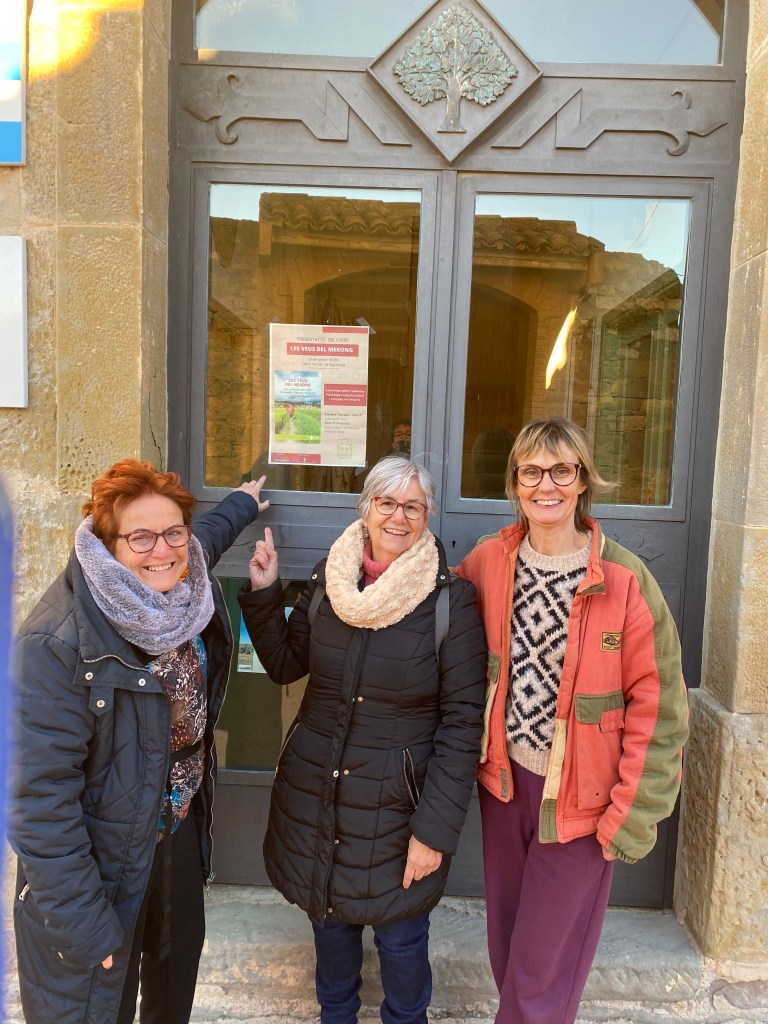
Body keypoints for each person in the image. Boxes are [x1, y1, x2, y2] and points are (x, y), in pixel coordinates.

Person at [9, 459, 269, 1024]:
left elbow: (202, 538)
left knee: (174, 978)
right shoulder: (56, 641)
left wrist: (243, 504)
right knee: (106, 1001)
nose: (162, 550)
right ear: (107, 545)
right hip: (101, 861)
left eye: (173, 532)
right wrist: (83, 924)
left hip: (176, 827)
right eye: (141, 537)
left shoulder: (184, 585)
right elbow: (36, 800)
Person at [456, 418, 689, 1024]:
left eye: (562, 471)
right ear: (516, 482)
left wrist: (631, 814)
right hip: (505, 789)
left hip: (583, 802)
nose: (546, 486)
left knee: (541, 973)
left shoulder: (624, 580)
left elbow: (660, 707)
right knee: (509, 954)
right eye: (532, 471)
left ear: (583, 480)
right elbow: (432, 624)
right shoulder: (488, 562)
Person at [239, 456, 486, 1024]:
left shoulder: (450, 602)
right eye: (387, 502)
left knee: (402, 946)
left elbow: (461, 724)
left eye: (413, 506)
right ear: (366, 508)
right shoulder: (331, 579)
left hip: (396, 813)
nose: (399, 516)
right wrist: (264, 593)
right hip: (318, 798)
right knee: (331, 940)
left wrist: (433, 832)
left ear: (428, 516)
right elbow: (285, 664)